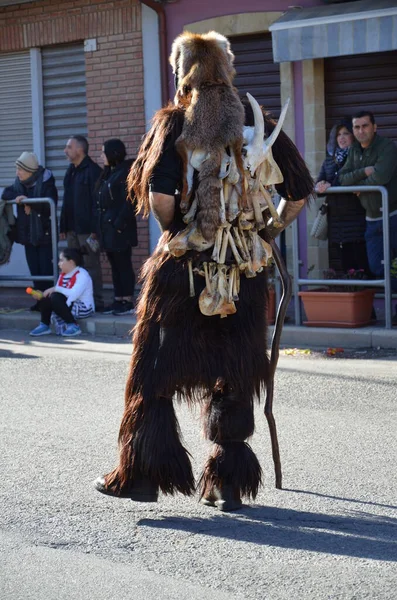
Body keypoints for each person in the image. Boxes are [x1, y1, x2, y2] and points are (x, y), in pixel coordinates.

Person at [94, 31, 313, 511]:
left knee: (153, 375)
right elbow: (298, 191)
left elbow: (158, 198)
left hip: (181, 276)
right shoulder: (259, 124)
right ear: (227, 70)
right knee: (233, 374)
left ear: (182, 72)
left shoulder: (172, 123)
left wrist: (176, 229)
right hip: (245, 276)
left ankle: (144, 476)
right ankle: (228, 483)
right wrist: (265, 233)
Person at [339, 111, 397, 306]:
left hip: (393, 215)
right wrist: (364, 172)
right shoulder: (354, 150)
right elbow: (343, 179)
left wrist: (361, 188)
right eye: (357, 127)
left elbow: (381, 177)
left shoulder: (386, 147)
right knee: (377, 266)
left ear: (374, 127)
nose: (360, 130)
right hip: (372, 219)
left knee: (395, 265)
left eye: (365, 126)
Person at [1, 152, 58, 310]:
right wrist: (20, 196)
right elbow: (6, 193)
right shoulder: (19, 184)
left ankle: (49, 303)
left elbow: (48, 205)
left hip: (44, 235)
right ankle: (39, 302)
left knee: (45, 271)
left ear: (30, 171)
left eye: (20, 170)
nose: (17, 173)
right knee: (35, 272)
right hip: (28, 236)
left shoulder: (46, 182)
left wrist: (29, 203)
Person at [315, 118, 369, 275]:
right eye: (338, 134)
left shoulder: (359, 156)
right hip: (335, 217)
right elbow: (320, 181)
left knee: (358, 254)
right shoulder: (329, 160)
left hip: (356, 214)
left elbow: (358, 179)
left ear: (353, 136)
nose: (342, 138)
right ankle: (348, 290)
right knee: (343, 258)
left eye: (346, 133)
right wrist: (321, 185)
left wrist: (333, 187)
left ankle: (362, 292)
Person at [60, 135, 104, 311]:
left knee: (91, 264)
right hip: (72, 229)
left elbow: (97, 204)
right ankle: (74, 300)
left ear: (80, 150)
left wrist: (95, 231)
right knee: (73, 265)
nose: (65, 150)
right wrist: (63, 226)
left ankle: (97, 302)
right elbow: (67, 201)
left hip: (88, 231)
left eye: (69, 147)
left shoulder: (93, 171)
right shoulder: (71, 171)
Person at [95, 139, 137, 315]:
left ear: (113, 154)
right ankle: (118, 298)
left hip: (119, 229)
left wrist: (118, 224)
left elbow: (130, 201)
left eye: (103, 152)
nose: (101, 156)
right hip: (108, 229)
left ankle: (127, 299)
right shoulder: (109, 173)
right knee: (114, 265)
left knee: (123, 264)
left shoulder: (124, 173)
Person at [29, 247, 94, 337]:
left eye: (61, 260)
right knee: (47, 296)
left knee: (54, 296)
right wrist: (43, 294)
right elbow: (59, 290)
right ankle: (44, 325)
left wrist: (55, 289)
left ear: (71, 262)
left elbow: (73, 294)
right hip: (68, 303)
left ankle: (73, 325)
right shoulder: (64, 274)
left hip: (83, 308)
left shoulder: (82, 274)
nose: (59, 263)